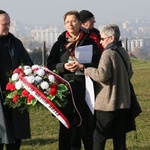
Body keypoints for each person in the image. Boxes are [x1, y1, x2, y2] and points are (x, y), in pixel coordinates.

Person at [47, 10, 101, 150]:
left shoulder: (89, 42)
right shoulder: (59, 44)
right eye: (67, 22)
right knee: (66, 127)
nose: (70, 24)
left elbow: (98, 63)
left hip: (84, 91)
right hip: (64, 91)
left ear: (79, 22)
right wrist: (63, 66)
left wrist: (83, 66)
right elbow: (50, 64)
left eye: (73, 21)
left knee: (85, 127)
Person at [84, 24, 135, 150]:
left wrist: (87, 70)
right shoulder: (122, 51)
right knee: (119, 136)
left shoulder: (108, 53)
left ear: (111, 38)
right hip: (123, 102)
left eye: (102, 39)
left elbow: (102, 75)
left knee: (99, 135)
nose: (100, 42)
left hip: (107, 103)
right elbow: (130, 72)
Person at [0, 10, 33, 150]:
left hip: (15, 96)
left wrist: (23, 73)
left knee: (16, 137)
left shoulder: (15, 42)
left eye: (8, 24)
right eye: (4, 24)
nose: (7, 27)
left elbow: (28, 64)